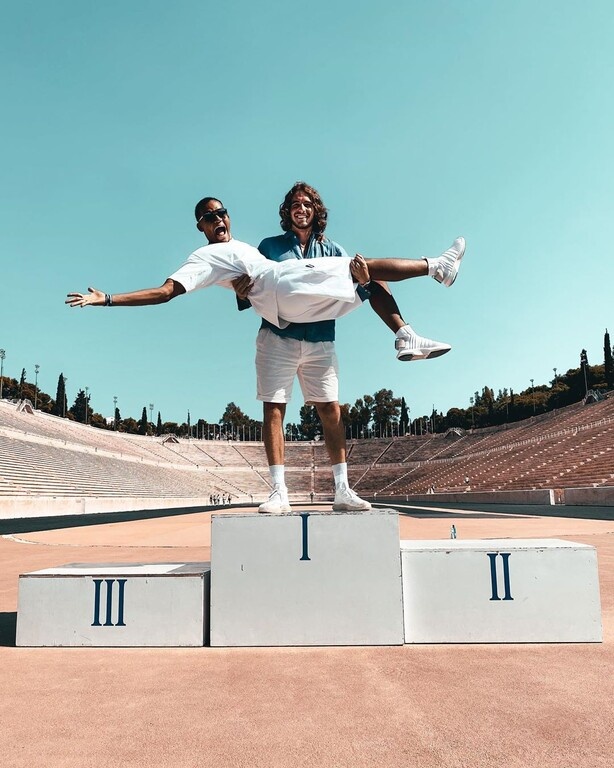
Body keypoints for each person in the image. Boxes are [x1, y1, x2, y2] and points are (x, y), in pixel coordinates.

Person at [66, 197, 465, 510]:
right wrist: (108, 300)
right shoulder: (204, 257)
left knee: (367, 278)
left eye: (222, 212)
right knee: (360, 267)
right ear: (200, 226)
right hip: (282, 290)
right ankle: (437, 267)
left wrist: (241, 290)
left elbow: (241, 289)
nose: (218, 219)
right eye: (209, 216)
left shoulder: (243, 247)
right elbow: (166, 292)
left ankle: (406, 336)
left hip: (302, 309)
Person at [230, 182, 454, 514]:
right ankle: (279, 491)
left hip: (320, 340)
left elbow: (353, 293)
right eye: (294, 203)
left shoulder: (334, 251)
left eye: (307, 204)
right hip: (277, 337)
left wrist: (364, 281)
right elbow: (247, 299)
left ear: (316, 211)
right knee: (273, 409)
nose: (301, 208)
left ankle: (342, 489)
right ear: (287, 211)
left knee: (331, 412)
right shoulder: (268, 247)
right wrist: (240, 289)